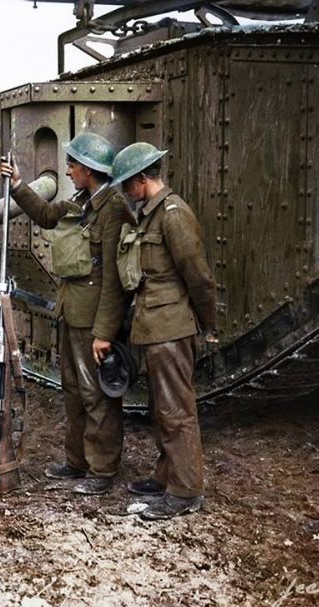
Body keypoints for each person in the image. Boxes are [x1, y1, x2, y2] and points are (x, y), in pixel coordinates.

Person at [0, 132, 135, 496]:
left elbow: (113, 280)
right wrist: (17, 185)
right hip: (72, 314)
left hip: (94, 322)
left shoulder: (114, 210)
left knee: (97, 395)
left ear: (88, 170)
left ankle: (102, 469)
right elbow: (45, 215)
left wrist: (105, 332)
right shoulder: (83, 203)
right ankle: (77, 462)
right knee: (74, 391)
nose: (69, 171)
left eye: (73, 165)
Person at [110, 142, 218, 520]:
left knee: (176, 409)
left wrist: (209, 325)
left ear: (143, 179)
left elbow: (199, 276)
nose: (125, 191)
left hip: (171, 327)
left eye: (128, 184)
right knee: (162, 408)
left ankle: (185, 491)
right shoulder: (151, 214)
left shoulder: (173, 215)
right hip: (155, 327)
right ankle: (167, 474)